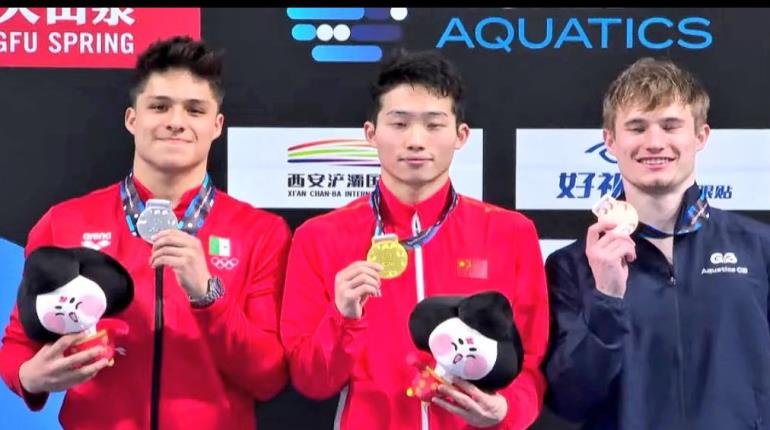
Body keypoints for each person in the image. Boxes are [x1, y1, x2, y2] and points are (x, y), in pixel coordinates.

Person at [0, 36, 291, 429]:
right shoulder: (64, 222)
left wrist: (209, 296)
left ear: (216, 125)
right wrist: (30, 378)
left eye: (195, 109)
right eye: (159, 106)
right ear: (132, 119)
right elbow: (19, 345)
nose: (176, 121)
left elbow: (269, 377)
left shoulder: (261, 233)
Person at [279, 49, 549, 430]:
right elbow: (311, 381)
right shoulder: (319, 238)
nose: (416, 140)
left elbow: (531, 363)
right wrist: (342, 319)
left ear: (461, 135)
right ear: (371, 133)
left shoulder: (511, 233)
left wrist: (507, 411)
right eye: (400, 123)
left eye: (434, 125)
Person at [544, 57, 770, 429]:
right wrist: (606, 298)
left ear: (701, 136)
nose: (654, 143)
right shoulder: (572, 265)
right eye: (636, 127)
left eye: (670, 126)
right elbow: (569, 402)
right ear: (610, 141)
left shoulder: (758, 249)